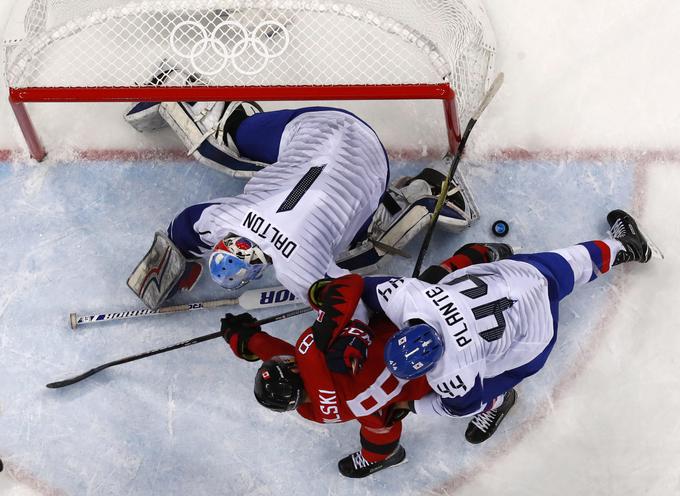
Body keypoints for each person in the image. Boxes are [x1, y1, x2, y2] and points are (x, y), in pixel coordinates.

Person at [123, 71, 477, 310]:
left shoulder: (300, 271)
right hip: (326, 127)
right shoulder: (227, 219)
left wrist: (179, 264)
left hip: (371, 169)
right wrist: (183, 254)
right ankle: (190, 97)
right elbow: (186, 225)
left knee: (356, 258)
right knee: (228, 144)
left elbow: (360, 300)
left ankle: (420, 198)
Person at [369, 209, 658, 444]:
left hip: (533, 336)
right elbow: (366, 289)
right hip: (520, 278)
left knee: (495, 382)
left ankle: (499, 401)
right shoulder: (410, 298)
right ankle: (628, 246)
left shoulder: (454, 372)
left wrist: (410, 405)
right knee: (570, 263)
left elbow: (457, 407)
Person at [220, 242, 507, 478]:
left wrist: (247, 341)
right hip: (412, 332)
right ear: (294, 368)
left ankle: (494, 398)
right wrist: (248, 337)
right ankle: (484, 254)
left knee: (460, 392)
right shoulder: (312, 356)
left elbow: (383, 427)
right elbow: (349, 290)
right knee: (432, 281)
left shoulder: (321, 410)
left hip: (430, 372)